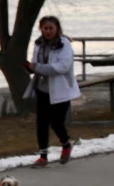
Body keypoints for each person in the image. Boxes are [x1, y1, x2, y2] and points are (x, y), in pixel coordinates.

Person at [24, 16, 80, 166]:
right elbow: (35, 63)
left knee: (56, 122)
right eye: (45, 28)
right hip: (42, 88)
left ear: (57, 29)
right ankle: (43, 156)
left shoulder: (64, 44)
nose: (48, 31)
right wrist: (29, 67)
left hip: (61, 89)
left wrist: (38, 68)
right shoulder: (38, 44)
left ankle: (66, 144)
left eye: (51, 28)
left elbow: (63, 67)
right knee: (41, 123)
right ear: (41, 29)